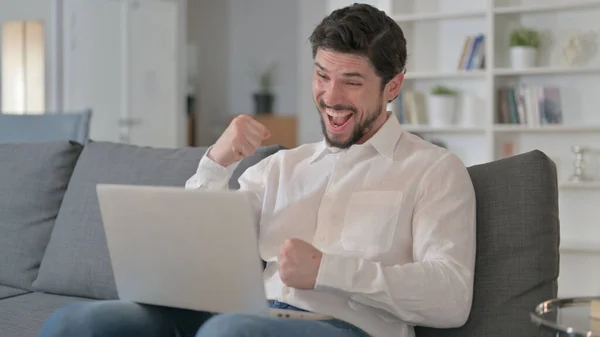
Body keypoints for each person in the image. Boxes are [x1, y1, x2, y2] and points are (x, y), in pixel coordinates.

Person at [37, 3, 476, 337]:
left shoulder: (433, 169)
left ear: (393, 85)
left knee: (229, 333)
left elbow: (451, 296)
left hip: (345, 327)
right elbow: (196, 248)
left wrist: (328, 270)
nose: (331, 96)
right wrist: (217, 162)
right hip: (242, 313)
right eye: (322, 76)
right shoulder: (281, 167)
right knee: (80, 321)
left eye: (352, 82)